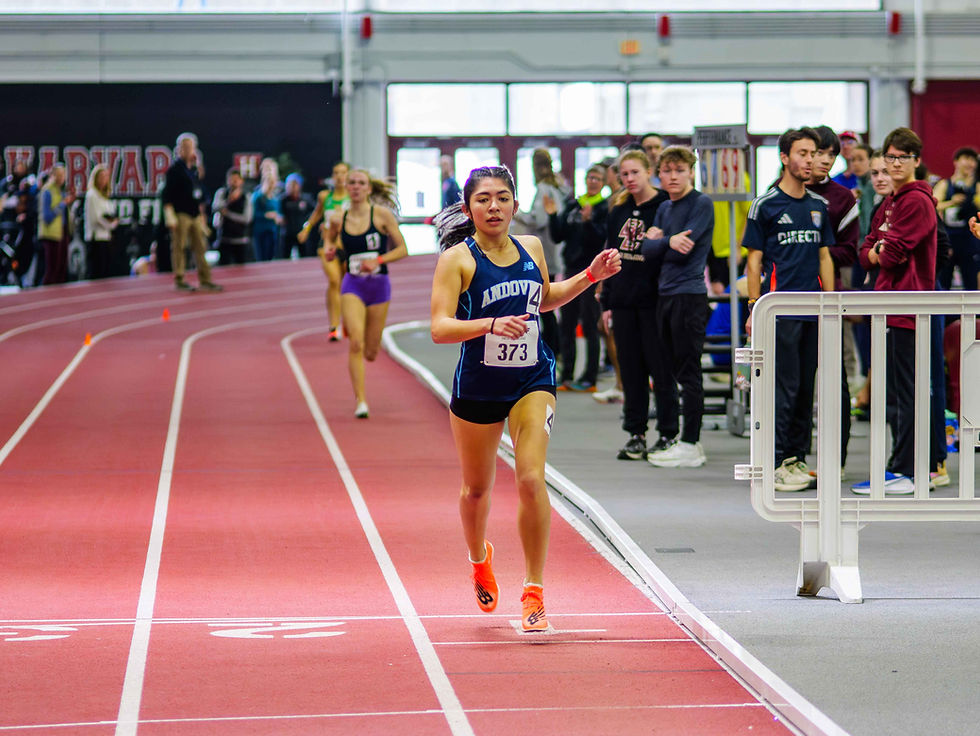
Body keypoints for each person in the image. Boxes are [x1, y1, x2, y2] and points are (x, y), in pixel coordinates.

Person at [430, 165, 621, 633]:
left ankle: (534, 590)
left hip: (532, 378)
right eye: (483, 200)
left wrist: (588, 277)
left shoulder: (531, 247)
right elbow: (440, 327)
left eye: (502, 198)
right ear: (468, 207)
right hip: (478, 385)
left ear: (516, 204)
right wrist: (489, 324)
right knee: (476, 490)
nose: (493, 207)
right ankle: (479, 558)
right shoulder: (458, 260)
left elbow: (544, 298)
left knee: (532, 478)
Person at [742, 127, 835, 492]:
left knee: (805, 391)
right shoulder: (764, 206)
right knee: (784, 388)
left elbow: (824, 256)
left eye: (813, 153)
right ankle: (777, 461)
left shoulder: (818, 206)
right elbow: (754, 263)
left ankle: (796, 459)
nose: (810, 160)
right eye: (802, 153)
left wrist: (830, 302)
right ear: (785, 158)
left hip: (814, 310)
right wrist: (754, 309)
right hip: (779, 311)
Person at [853, 127, 938, 495]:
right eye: (889, 157)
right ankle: (898, 466)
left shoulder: (917, 201)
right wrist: (877, 252)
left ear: (916, 161)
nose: (894, 164)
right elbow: (866, 251)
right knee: (891, 393)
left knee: (909, 392)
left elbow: (891, 253)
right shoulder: (889, 202)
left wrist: (879, 252)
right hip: (886, 306)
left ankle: (909, 469)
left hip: (909, 307)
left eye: (901, 158)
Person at [641, 146, 714, 468]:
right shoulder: (664, 208)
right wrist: (664, 242)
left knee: (689, 371)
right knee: (668, 370)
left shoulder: (701, 203)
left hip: (689, 295)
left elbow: (682, 250)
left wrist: (661, 242)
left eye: (679, 170)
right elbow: (646, 250)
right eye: (667, 171)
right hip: (665, 295)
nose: (672, 176)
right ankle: (678, 439)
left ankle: (691, 443)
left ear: (690, 172)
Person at [599, 149, 672, 461]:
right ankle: (636, 433)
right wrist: (607, 302)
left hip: (655, 301)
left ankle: (669, 432)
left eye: (635, 173)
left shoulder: (665, 206)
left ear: (648, 171)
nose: (629, 179)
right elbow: (610, 255)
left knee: (661, 368)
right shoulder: (618, 209)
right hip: (624, 301)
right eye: (624, 174)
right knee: (631, 371)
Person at [322, 168, 407, 418]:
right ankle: (361, 401)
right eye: (352, 183)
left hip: (379, 285)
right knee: (356, 343)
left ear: (369, 189)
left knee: (371, 351)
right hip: (353, 285)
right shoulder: (338, 218)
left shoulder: (381, 215)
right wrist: (330, 250)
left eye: (361, 183)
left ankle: (364, 337)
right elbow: (329, 239)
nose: (356, 187)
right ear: (347, 188)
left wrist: (379, 259)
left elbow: (403, 249)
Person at [545, 163, 607, 392]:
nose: (592, 181)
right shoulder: (573, 205)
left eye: (597, 178)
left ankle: (590, 378)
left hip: (592, 271)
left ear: (602, 182)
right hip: (571, 269)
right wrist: (552, 215)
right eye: (590, 177)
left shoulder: (604, 207)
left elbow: (600, 239)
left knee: (590, 325)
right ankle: (567, 376)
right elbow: (558, 235)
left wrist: (589, 222)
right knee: (567, 324)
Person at [514, 148, 565, 356]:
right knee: (547, 305)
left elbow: (540, 220)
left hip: (546, 250)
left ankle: (553, 348)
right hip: (553, 249)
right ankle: (555, 347)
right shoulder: (559, 186)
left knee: (545, 304)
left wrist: (518, 214)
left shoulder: (545, 188)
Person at [161, 133, 221, 292]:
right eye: (185, 147)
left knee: (201, 247)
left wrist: (202, 214)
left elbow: (200, 193)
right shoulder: (174, 170)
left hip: (195, 213)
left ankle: (205, 279)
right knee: (180, 247)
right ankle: (180, 278)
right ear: (179, 149)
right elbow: (166, 194)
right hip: (181, 213)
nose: (188, 150)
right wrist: (170, 215)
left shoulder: (194, 170)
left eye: (191, 147)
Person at [299, 161, 351, 341]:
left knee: (346, 285)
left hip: (349, 246)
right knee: (334, 281)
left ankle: (346, 322)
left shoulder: (355, 198)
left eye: (343, 173)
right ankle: (333, 325)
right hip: (328, 245)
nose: (339, 177)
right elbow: (316, 214)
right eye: (336, 173)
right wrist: (306, 229)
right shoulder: (325, 196)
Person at [933, 146, 980, 291]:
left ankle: (974, 313)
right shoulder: (945, 184)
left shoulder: (977, 185)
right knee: (944, 280)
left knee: (971, 281)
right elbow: (933, 205)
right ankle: (944, 314)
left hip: (970, 238)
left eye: (973, 160)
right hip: (949, 238)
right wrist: (952, 202)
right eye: (966, 159)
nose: (969, 163)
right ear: (956, 162)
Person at [37, 163, 75, 286]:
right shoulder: (47, 191)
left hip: (63, 232)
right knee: (52, 269)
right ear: (52, 175)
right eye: (58, 175)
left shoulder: (61, 191)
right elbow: (47, 217)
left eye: (63, 175)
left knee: (62, 268)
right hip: (51, 234)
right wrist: (63, 204)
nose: (60, 178)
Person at [83, 164, 118, 280]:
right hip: (96, 238)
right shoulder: (92, 195)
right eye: (101, 176)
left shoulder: (105, 196)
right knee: (96, 271)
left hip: (105, 236)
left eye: (106, 176)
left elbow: (109, 213)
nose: (104, 180)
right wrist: (111, 225)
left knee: (105, 271)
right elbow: (96, 218)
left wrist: (113, 221)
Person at [211, 168, 252, 265]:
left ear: (241, 181)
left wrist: (227, 214)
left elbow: (247, 219)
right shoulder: (221, 193)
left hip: (240, 240)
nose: (233, 182)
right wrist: (228, 201)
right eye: (231, 179)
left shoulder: (246, 196)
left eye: (236, 179)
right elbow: (215, 208)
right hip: (224, 239)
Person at [251, 158, 282, 262]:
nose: (272, 184)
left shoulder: (276, 197)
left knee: (270, 257)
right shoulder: (258, 196)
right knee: (261, 258)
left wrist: (278, 217)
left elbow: (279, 212)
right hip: (260, 231)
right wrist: (266, 215)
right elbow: (253, 214)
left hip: (272, 231)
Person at [280, 173, 314, 259]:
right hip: (287, 234)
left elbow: (313, 214)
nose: (292, 187)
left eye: (294, 184)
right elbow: (279, 214)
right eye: (290, 185)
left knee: (305, 257)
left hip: (302, 233)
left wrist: (307, 227)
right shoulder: (282, 200)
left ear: (299, 185)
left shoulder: (306, 199)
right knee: (285, 258)